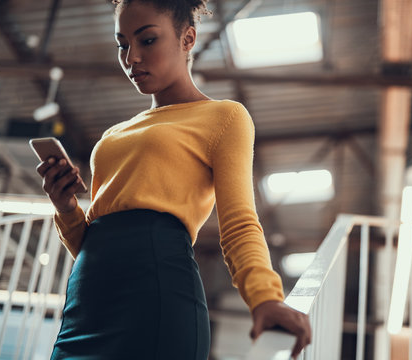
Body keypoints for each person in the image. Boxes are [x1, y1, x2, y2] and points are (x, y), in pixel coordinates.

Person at [36, 0, 312, 359]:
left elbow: (240, 224)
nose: (131, 57)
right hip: (86, 304)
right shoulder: (111, 137)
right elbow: (89, 242)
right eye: (122, 44)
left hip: (156, 297)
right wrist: (66, 207)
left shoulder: (223, 117)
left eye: (146, 40)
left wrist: (265, 298)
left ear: (188, 39)